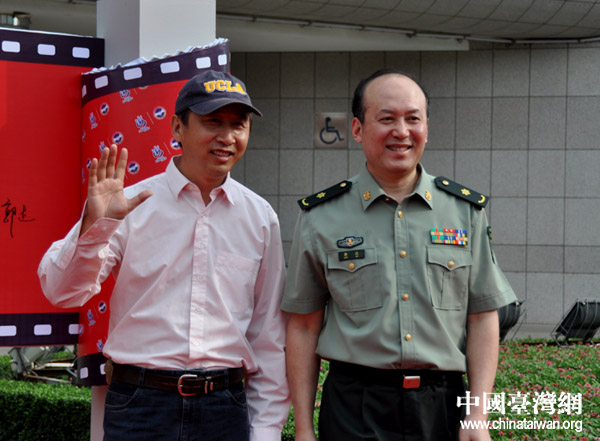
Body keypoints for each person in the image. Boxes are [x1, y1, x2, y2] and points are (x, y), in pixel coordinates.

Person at [38, 70, 290, 441]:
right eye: (213, 122)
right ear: (177, 128)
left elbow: (268, 333)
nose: (227, 137)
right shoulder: (130, 205)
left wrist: (266, 430)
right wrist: (96, 226)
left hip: (225, 407)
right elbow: (61, 291)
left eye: (238, 125)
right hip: (140, 405)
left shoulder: (260, 217)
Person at [281, 68, 516, 441]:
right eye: (387, 119)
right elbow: (303, 327)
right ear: (358, 129)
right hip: (354, 408)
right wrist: (304, 429)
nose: (402, 131)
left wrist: (477, 415)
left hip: (442, 406)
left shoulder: (464, 212)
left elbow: (482, 316)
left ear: (427, 127)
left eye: (413, 119)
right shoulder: (320, 217)